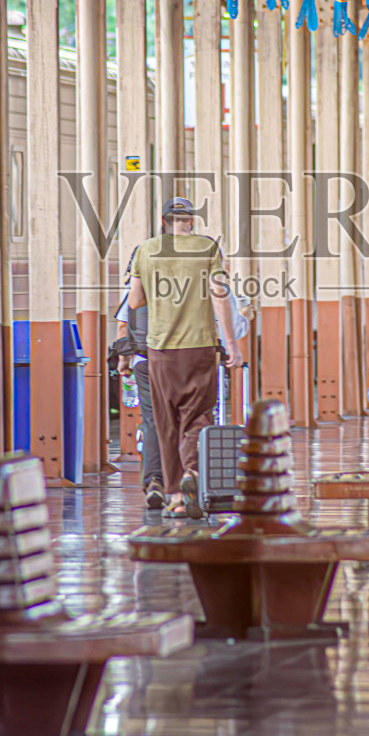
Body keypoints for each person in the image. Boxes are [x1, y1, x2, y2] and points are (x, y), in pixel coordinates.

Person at [128, 197, 243, 519]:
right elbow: (220, 295)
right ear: (190, 221)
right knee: (198, 417)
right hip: (200, 347)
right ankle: (193, 473)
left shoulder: (145, 250)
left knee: (166, 423)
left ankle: (176, 496)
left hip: (161, 350)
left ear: (164, 221)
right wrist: (231, 345)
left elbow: (135, 301)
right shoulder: (207, 248)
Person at [113, 250, 164, 511]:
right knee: (187, 418)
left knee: (153, 419)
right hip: (184, 359)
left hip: (145, 360)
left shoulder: (134, 290)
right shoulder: (184, 284)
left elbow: (123, 327)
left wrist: (124, 361)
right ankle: (189, 475)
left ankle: (155, 480)